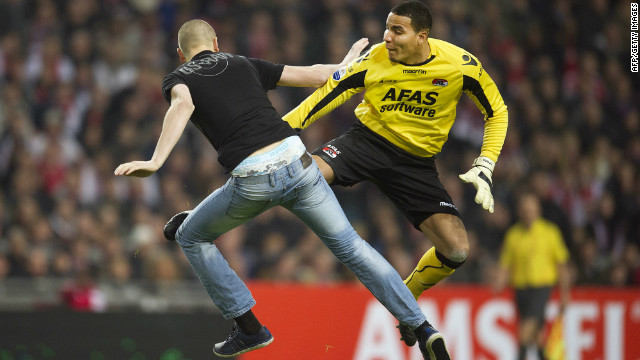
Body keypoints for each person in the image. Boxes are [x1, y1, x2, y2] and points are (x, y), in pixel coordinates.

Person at [114, 19, 450, 359]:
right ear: (216, 43)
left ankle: (249, 328)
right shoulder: (243, 62)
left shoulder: (179, 77)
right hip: (299, 163)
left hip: (254, 179)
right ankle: (423, 328)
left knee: (190, 236)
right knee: (352, 247)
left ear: (180, 54)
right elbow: (320, 74)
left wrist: (156, 161)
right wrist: (350, 59)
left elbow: (182, 106)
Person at [282, 0, 508, 345]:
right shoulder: (375, 58)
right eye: (386, 28)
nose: (386, 37)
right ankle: (204, 215)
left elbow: (497, 111)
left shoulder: (460, 66)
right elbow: (329, 94)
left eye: (396, 30)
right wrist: (280, 131)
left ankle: (405, 300)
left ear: (422, 36)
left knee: (458, 249)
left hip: (415, 164)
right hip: (367, 142)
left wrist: (486, 162)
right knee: (292, 174)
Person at [494, 191, 570, 360]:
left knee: (524, 332)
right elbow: (505, 264)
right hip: (520, 290)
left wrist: (565, 294)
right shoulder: (513, 235)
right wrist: (499, 281)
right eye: (524, 210)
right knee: (538, 337)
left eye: (530, 209)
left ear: (538, 210)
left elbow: (562, 265)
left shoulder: (550, 233)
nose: (527, 213)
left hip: (541, 288)